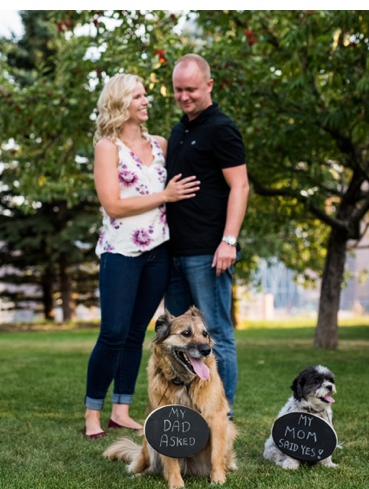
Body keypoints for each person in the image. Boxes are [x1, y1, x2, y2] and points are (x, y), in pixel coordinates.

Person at [83, 73, 200, 439]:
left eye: (145, 94)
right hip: (121, 251)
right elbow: (113, 205)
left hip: (158, 252)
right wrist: (164, 196)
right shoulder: (108, 147)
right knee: (113, 333)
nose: (146, 100)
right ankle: (92, 414)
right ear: (121, 103)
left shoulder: (161, 144)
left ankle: (122, 410)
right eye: (138, 95)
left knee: (136, 334)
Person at [164, 54, 249, 419]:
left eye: (192, 90)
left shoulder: (222, 129)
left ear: (209, 86)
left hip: (209, 254)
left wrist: (228, 241)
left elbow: (240, 186)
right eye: (178, 90)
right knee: (179, 340)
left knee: (217, 339)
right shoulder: (179, 130)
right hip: (175, 254)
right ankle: (186, 417)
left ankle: (220, 418)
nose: (184, 96)